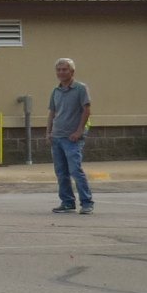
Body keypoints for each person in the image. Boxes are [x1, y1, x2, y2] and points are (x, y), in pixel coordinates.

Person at [48, 57, 93, 214]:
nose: (61, 72)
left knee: (75, 170)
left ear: (72, 71)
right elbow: (52, 112)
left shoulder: (80, 89)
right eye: (59, 70)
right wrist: (49, 132)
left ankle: (86, 202)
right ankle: (67, 202)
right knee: (61, 173)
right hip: (57, 137)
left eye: (64, 69)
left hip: (72, 138)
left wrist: (79, 131)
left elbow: (86, 110)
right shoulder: (56, 91)